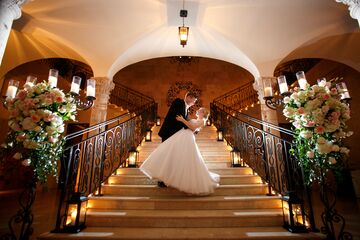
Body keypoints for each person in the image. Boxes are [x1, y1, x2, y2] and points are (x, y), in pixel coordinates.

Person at [139, 107, 220, 195]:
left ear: (203, 113)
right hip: (182, 135)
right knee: (170, 152)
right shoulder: (195, 119)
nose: (199, 110)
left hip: (187, 138)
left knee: (185, 158)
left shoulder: (202, 121)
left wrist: (182, 120)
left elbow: (192, 128)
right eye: (200, 109)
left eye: (201, 110)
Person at [156, 91, 197, 187]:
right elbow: (178, 118)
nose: (194, 103)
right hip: (169, 134)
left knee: (172, 158)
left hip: (175, 137)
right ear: (189, 97)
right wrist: (190, 127)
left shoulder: (186, 109)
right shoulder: (178, 102)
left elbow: (183, 121)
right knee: (167, 157)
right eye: (194, 100)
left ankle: (169, 178)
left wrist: (191, 127)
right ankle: (162, 180)